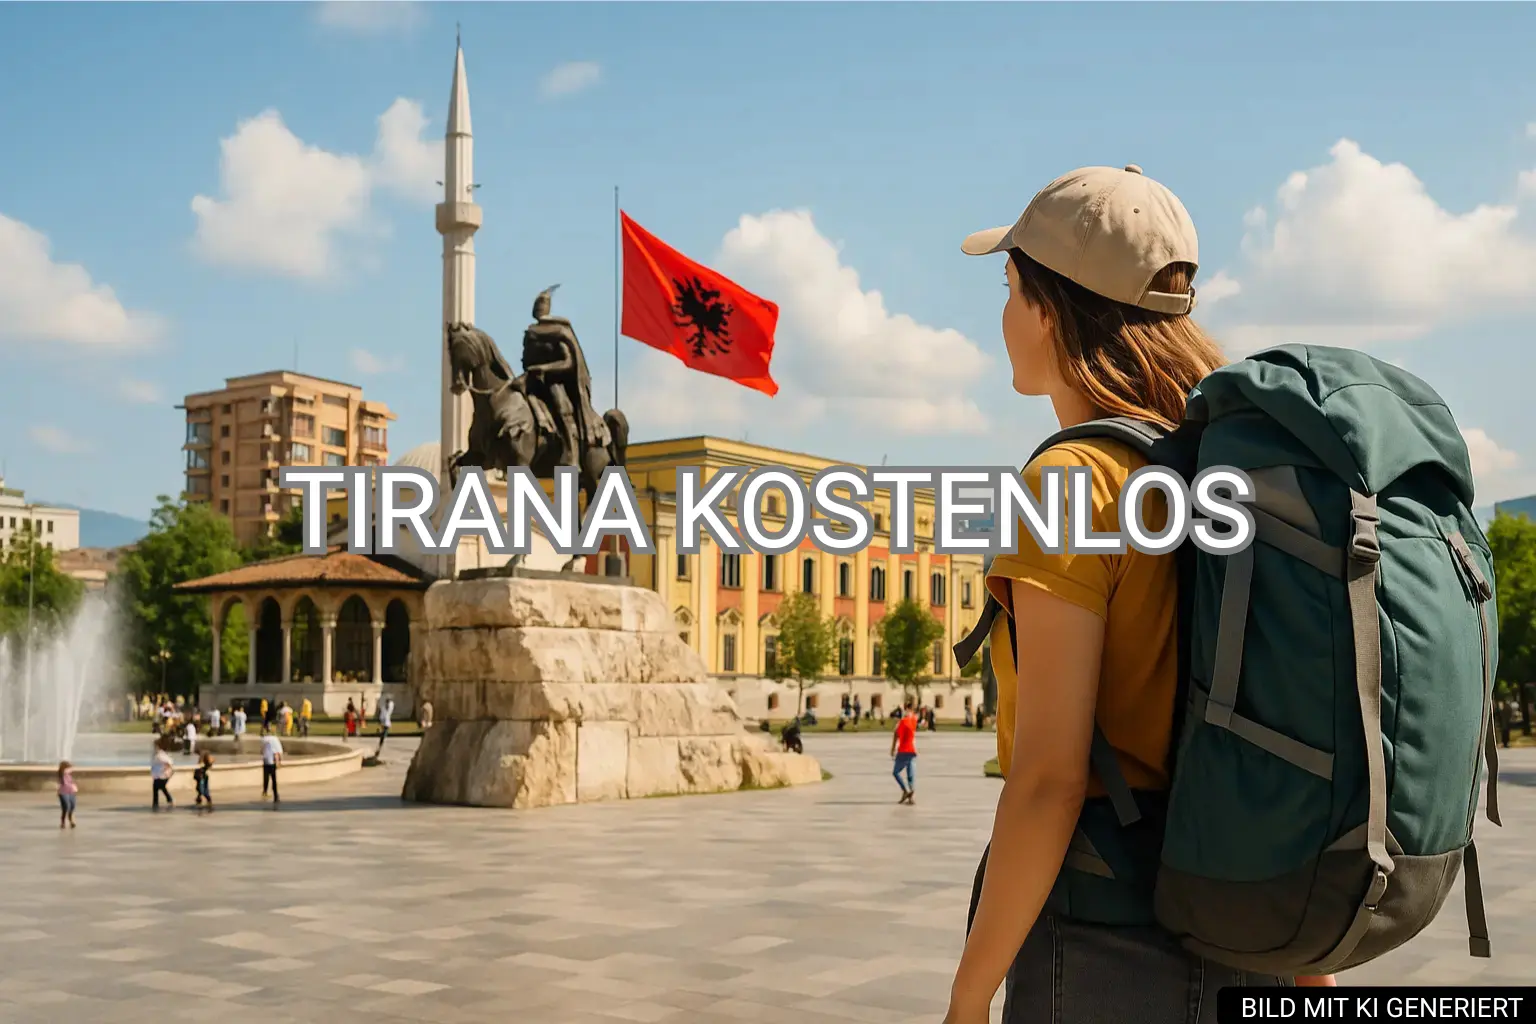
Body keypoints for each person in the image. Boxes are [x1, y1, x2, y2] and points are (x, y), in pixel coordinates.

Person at [942, 165, 1331, 1024]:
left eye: (1010, 286)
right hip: (1251, 918)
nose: (1004, 313)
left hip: (1105, 940)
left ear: (1053, 306)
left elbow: (1050, 778)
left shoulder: (1073, 481)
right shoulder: (1228, 472)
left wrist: (967, 1002)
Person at [891, 700, 918, 804]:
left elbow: (896, 734)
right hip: (912, 750)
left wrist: (892, 749)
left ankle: (905, 790)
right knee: (910, 774)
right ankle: (910, 797)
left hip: (903, 750)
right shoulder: (914, 720)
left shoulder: (904, 721)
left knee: (895, 772)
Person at [260, 726, 283, 807]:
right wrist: (279, 761)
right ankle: (276, 795)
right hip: (273, 761)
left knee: (265, 778)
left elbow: (261, 750)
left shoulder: (263, 739)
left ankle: (265, 792)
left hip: (266, 760)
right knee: (274, 779)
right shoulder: (275, 739)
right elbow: (279, 751)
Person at [151, 744, 175, 812]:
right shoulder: (157, 755)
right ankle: (156, 803)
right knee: (157, 787)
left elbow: (169, 762)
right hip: (158, 775)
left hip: (163, 775)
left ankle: (168, 799)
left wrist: (167, 769)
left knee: (160, 786)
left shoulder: (160, 755)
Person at [57, 760, 78, 829]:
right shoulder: (61, 775)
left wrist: (74, 787)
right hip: (63, 793)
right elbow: (64, 783)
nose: (70, 769)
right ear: (64, 769)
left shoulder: (69, 775)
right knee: (66, 807)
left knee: (72, 806)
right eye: (68, 768)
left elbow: (71, 783)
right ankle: (63, 822)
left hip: (71, 792)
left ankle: (70, 818)